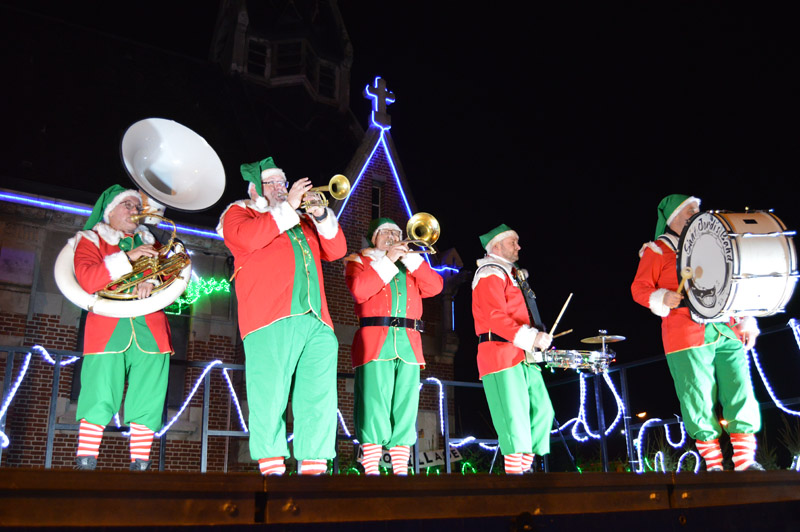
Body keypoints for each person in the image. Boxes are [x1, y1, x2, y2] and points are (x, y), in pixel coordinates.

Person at [217, 157, 347, 476]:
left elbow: (338, 250)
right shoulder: (240, 213)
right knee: (269, 396)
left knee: (318, 396)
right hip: (268, 317)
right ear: (255, 189)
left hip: (317, 319)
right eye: (273, 184)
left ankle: (314, 470)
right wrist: (287, 207)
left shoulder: (301, 221)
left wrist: (320, 214)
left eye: (283, 182)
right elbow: (246, 239)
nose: (281, 188)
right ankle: (272, 472)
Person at [631, 194, 763, 471]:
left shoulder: (711, 243)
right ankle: (714, 465)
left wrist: (745, 319)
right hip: (685, 334)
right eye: (690, 209)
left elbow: (730, 283)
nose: (697, 212)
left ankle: (745, 462)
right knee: (697, 398)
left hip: (727, 328)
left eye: (698, 209)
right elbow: (639, 288)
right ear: (673, 219)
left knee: (741, 389)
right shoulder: (657, 250)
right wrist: (662, 297)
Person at [72, 184, 173, 471]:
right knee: (98, 393)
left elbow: (172, 276)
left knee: (149, 398)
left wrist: (151, 280)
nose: (135, 210)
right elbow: (89, 280)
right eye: (127, 205)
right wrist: (128, 257)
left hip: (151, 330)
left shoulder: (151, 244)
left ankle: (140, 467)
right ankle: (86, 464)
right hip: (107, 329)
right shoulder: (91, 239)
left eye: (137, 206)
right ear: (109, 210)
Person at [344, 218, 444, 475]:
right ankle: (371, 469)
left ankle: (400, 469)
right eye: (386, 232)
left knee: (405, 405)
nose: (393, 236)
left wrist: (412, 259)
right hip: (375, 340)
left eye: (397, 233)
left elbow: (435, 286)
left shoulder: (410, 266)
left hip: (409, 342)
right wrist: (388, 260)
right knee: (374, 403)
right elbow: (359, 290)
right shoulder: (360, 261)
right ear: (373, 238)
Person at [471, 224, 555, 474]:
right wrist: (531, 336)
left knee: (542, 411)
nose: (518, 247)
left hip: (523, 354)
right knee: (515, 420)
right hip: (499, 353)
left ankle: (523, 473)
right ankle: (516, 479)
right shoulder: (489, 272)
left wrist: (538, 336)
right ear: (496, 246)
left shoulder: (513, 274)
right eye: (512, 242)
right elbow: (494, 316)